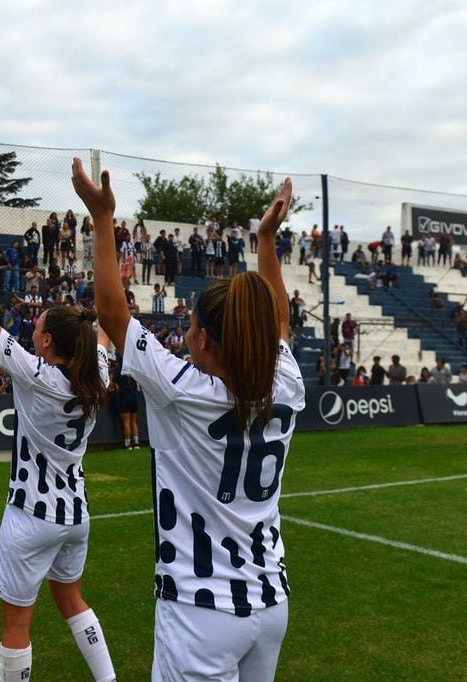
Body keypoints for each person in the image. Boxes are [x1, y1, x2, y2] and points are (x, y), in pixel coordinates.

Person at [73, 160, 304, 680]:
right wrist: (266, 240)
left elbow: (112, 315)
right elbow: (281, 320)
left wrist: (104, 218)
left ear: (202, 339)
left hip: (201, 610)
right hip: (270, 605)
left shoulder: (182, 392)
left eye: (192, 326)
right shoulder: (286, 383)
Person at [0, 212, 116, 682]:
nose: (30, 332)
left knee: (17, 623)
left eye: (36, 327)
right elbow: (97, 331)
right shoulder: (97, 372)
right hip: (76, 514)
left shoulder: (39, 376)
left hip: (32, 514)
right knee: (72, 600)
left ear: (48, 341)